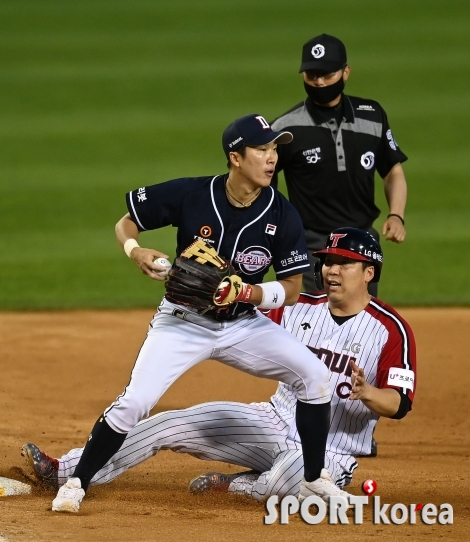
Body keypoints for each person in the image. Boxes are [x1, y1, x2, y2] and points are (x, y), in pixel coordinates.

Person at [46, 113, 351, 513]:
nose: (272, 157)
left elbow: (292, 289)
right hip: (182, 323)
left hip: (243, 325)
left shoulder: (282, 213)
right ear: (235, 158)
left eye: (275, 148)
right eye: (262, 149)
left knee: (314, 376)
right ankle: (76, 482)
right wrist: (135, 250)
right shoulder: (192, 194)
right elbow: (126, 223)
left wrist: (249, 291)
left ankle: (313, 479)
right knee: (134, 402)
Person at [23, 228, 416, 502]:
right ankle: (65, 470)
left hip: (334, 451)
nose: (331, 270)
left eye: (344, 263)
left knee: (296, 477)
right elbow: (241, 330)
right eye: (329, 261)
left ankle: (240, 487)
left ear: (369, 272)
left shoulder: (390, 329)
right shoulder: (297, 308)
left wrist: (368, 393)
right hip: (272, 422)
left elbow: (399, 404)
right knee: (167, 423)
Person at [270, 34, 409, 296]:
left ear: (346, 72)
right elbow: (264, 181)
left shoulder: (373, 116)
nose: (319, 81)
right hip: (312, 242)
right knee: (316, 320)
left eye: (326, 73)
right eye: (311, 74)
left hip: (362, 240)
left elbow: (393, 170)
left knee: (361, 319)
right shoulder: (285, 128)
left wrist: (396, 214)